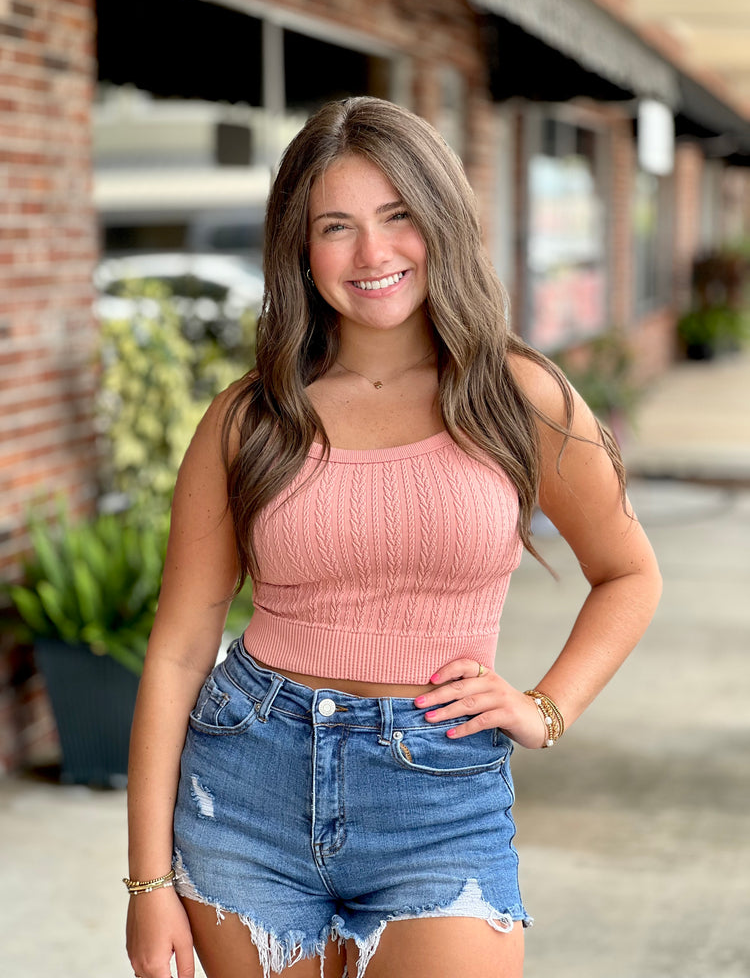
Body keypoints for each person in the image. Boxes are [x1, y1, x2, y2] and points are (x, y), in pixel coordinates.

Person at [125, 96, 662, 978]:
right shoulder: (249, 418)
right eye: (336, 226)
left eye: (398, 216)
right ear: (299, 247)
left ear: (441, 222)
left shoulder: (516, 398)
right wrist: (148, 885)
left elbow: (629, 573)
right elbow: (181, 649)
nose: (373, 255)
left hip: (438, 798)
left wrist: (546, 707)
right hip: (247, 783)